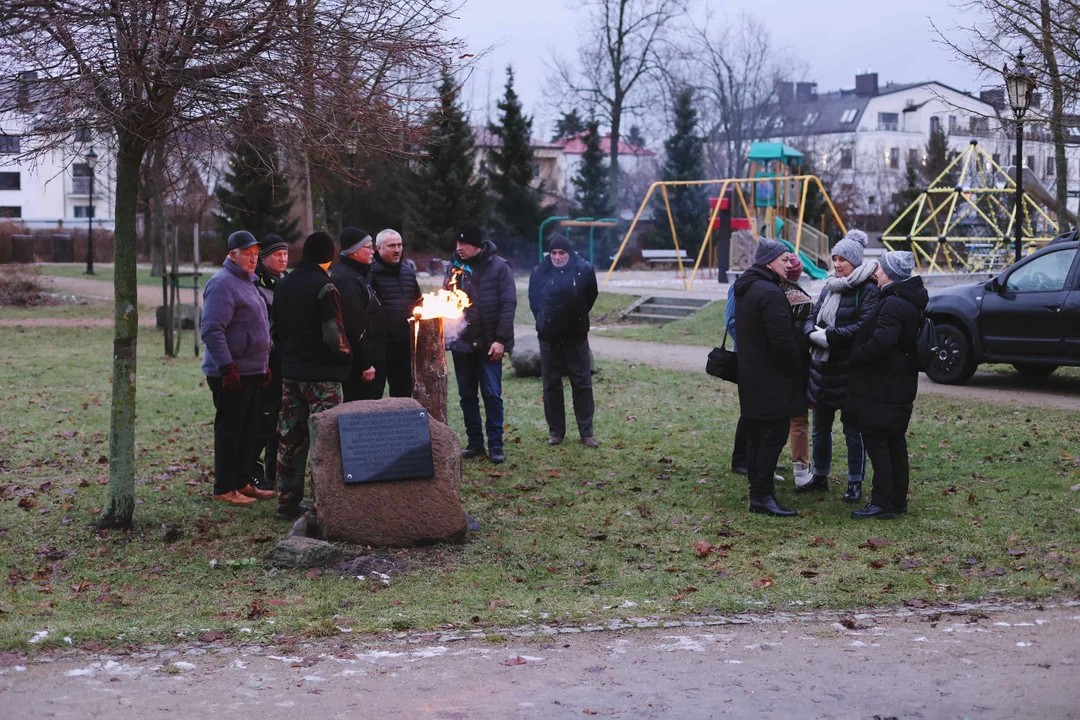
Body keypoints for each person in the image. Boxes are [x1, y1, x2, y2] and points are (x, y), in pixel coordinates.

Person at [272, 232, 352, 520]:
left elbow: (276, 330)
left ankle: (287, 503)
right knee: (326, 440)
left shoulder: (284, 284)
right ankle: (324, 505)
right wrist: (346, 355)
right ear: (328, 256)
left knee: (291, 439)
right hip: (323, 378)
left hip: (291, 373)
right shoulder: (325, 287)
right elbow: (333, 333)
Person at [844, 250, 927, 520]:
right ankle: (896, 499)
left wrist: (857, 354)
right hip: (898, 384)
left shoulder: (893, 303)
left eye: (879, 268)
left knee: (878, 440)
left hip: (883, 387)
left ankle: (882, 502)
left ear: (889, 273)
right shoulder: (908, 300)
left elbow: (883, 342)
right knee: (894, 441)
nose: (875, 273)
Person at [799, 229, 880, 502]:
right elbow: (814, 312)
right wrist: (811, 332)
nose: (836, 264)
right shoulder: (829, 285)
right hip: (822, 370)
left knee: (852, 430)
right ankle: (820, 475)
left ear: (855, 261)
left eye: (842, 259)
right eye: (834, 258)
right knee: (820, 427)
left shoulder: (867, 289)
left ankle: (854, 481)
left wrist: (830, 337)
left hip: (850, 371)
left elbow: (865, 326)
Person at [200, 230, 275, 506]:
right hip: (231, 373)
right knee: (230, 431)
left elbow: (257, 328)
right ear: (233, 254)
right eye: (248, 254)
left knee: (249, 430)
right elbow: (212, 330)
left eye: (256, 255)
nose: (254, 259)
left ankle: (242, 482)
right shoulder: (222, 284)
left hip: (252, 372)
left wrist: (262, 364)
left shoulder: (249, 282)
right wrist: (228, 369)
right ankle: (224, 487)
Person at [732, 239, 806, 517]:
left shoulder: (746, 287)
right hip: (772, 378)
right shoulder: (770, 293)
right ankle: (762, 495)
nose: (789, 264)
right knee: (773, 436)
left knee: (756, 435)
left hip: (751, 374)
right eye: (784, 260)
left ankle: (757, 492)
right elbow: (783, 341)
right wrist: (798, 365)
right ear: (768, 262)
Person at [446, 221, 516, 464]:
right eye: (457, 243)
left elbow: (508, 305)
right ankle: (475, 443)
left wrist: (500, 340)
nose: (459, 248)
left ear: (476, 245)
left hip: (489, 344)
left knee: (492, 394)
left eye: (463, 243)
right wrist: (447, 335)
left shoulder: (499, 267)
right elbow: (447, 299)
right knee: (467, 395)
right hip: (462, 343)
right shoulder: (455, 267)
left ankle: (495, 445)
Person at [528, 235, 599, 447]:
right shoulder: (539, 272)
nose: (557, 257)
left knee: (582, 385)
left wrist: (576, 317)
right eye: (554, 253)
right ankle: (556, 432)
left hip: (576, 338)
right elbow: (534, 301)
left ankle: (586, 432)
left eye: (562, 253)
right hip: (549, 339)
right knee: (551, 386)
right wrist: (543, 320)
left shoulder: (584, 270)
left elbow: (590, 296)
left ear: (569, 254)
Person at [251, 234, 289, 491]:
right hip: (266, 362)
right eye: (278, 255)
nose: (284, 259)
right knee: (263, 420)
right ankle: (254, 471)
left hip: (286, 360)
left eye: (286, 254)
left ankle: (274, 472)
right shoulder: (257, 284)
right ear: (264, 258)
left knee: (281, 420)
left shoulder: (286, 282)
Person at [333, 226, 385, 402]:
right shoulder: (347, 280)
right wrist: (365, 364)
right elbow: (352, 326)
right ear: (354, 251)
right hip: (361, 366)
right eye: (368, 247)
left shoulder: (358, 274)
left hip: (370, 358)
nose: (373, 251)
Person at [370, 228, 422, 398]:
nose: (397, 249)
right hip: (380, 347)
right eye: (392, 245)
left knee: (403, 395)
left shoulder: (408, 272)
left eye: (399, 245)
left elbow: (418, 302)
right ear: (379, 248)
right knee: (374, 395)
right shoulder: (370, 273)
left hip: (404, 347)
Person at [780, 254, 813, 487]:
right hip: (799, 364)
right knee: (799, 419)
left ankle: (767, 462)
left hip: (773, 365)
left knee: (772, 417)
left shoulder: (769, 294)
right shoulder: (803, 301)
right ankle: (801, 468)